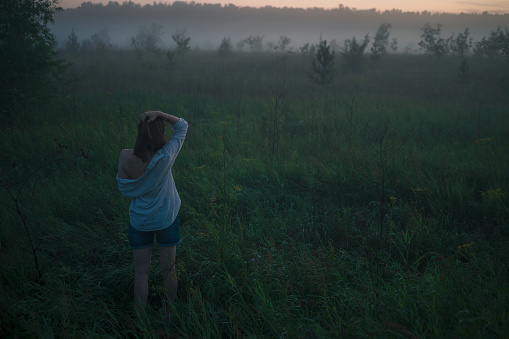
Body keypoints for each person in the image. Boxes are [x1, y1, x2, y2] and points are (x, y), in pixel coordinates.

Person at [116, 110, 188, 322]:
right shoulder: (165, 155)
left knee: (141, 272)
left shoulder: (125, 156)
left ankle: (140, 318)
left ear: (139, 131)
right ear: (161, 133)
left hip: (139, 221)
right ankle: (169, 312)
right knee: (169, 270)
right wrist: (161, 114)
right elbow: (183, 126)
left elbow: (125, 189)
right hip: (166, 218)